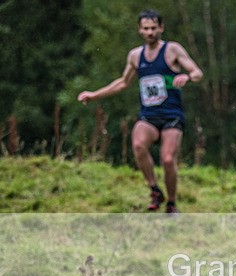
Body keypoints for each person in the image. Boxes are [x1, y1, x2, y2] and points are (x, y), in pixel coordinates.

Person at [78, 10, 203, 215]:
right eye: (146, 28)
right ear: (140, 30)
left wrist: (187, 77)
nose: (150, 32)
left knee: (168, 159)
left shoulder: (172, 50)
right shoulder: (136, 56)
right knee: (138, 144)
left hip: (172, 115)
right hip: (149, 115)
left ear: (161, 28)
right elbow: (123, 82)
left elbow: (197, 72)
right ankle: (155, 189)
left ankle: (171, 203)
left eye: (154, 28)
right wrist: (94, 95)